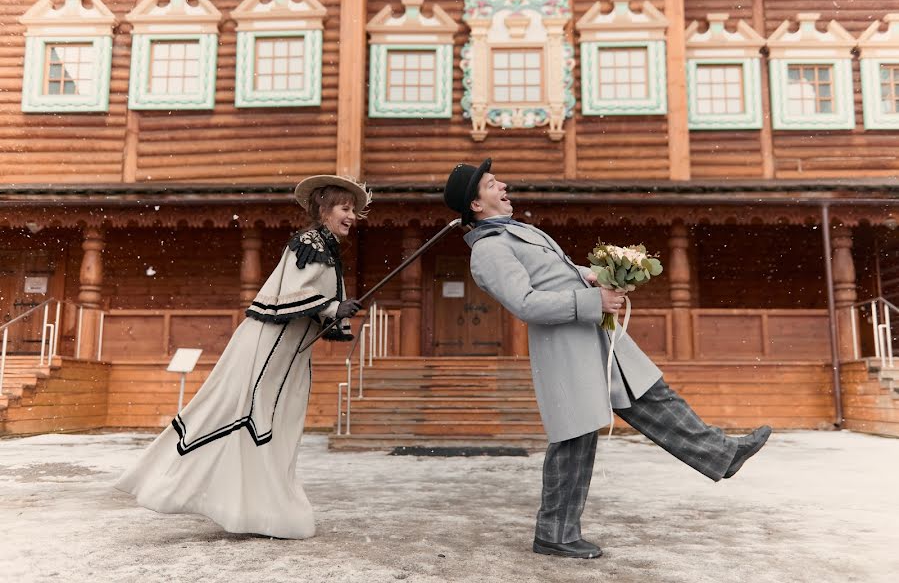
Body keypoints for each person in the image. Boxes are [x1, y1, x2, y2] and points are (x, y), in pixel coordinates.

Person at [443, 158, 771, 559]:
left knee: (652, 395)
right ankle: (555, 534)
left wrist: (589, 274)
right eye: (493, 184)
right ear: (476, 205)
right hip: (566, 349)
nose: (503, 185)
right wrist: (592, 299)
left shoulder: (514, 231)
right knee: (574, 439)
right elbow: (526, 303)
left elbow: (553, 274)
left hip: (593, 336)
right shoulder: (490, 250)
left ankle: (722, 454)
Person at [115, 174, 371, 539]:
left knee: (271, 422)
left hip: (287, 352)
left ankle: (257, 508)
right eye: (345, 208)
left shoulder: (325, 247)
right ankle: (175, 487)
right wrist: (333, 308)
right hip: (268, 347)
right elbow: (292, 294)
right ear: (323, 209)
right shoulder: (309, 242)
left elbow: (309, 299)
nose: (351, 216)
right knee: (248, 417)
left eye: (353, 210)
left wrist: (334, 309)